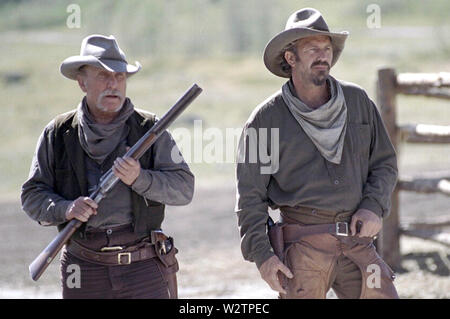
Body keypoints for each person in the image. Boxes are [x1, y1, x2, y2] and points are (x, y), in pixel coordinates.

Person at [235, 8, 399, 299]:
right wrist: (263, 257)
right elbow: (250, 198)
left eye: (326, 48)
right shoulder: (265, 121)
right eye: (312, 49)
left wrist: (373, 205)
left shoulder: (358, 101)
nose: (323, 55)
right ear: (290, 58)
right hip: (302, 249)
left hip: (358, 242)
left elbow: (384, 163)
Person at [21, 34, 194, 299]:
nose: (113, 84)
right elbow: (32, 196)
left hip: (143, 265)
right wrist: (67, 208)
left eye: (120, 76)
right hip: (82, 266)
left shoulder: (151, 130)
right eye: (103, 75)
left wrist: (140, 178)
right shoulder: (57, 134)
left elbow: (184, 189)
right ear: (82, 82)